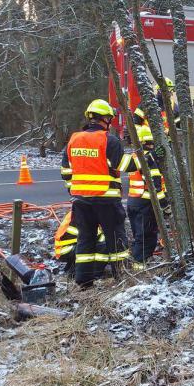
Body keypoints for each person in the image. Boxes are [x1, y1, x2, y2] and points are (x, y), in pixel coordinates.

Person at [61, 99, 129, 287]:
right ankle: (122, 279)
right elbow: (123, 164)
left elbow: (66, 171)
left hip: (81, 201)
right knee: (116, 240)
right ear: (105, 118)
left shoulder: (74, 140)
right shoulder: (109, 140)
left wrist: (74, 190)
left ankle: (83, 282)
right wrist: (145, 160)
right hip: (106, 201)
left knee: (85, 240)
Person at [117, 126, 168, 270]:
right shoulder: (150, 160)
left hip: (133, 202)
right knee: (147, 236)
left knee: (139, 236)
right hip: (146, 204)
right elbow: (155, 185)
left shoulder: (136, 157)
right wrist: (164, 205)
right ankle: (139, 267)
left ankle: (137, 263)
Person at [54, 210, 105, 277]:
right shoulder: (83, 215)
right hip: (65, 250)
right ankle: (94, 274)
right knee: (100, 247)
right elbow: (92, 235)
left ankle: (71, 268)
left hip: (68, 248)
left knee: (98, 245)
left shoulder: (82, 211)